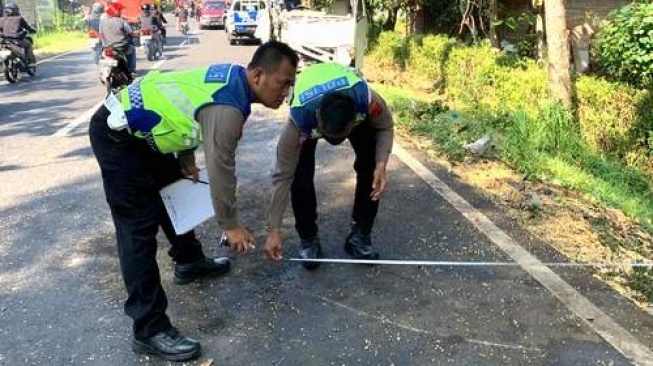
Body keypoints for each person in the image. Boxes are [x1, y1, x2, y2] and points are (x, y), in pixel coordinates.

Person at [88, 41, 298, 362]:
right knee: (138, 227)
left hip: (146, 134)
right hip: (118, 134)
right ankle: (149, 328)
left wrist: (184, 156)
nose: (286, 92)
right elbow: (221, 169)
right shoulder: (229, 108)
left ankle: (188, 261)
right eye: (283, 82)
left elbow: (185, 103)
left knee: (174, 191)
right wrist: (230, 224)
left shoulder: (233, 79)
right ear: (257, 75)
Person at [264, 62, 394, 270]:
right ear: (319, 121)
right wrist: (274, 230)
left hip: (350, 106)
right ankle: (308, 239)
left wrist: (381, 164)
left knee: (371, 169)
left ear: (354, 123)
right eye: (328, 136)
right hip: (311, 108)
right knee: (299, 177)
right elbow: (282, 176)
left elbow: (385, 126)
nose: (334, 143)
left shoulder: (367, 101)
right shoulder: (300, 119)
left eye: (339, 137)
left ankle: (360, 235)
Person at [99, 1, 136, 75]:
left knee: (102, 55)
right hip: (121, 46)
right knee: (132, 50)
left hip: (107, 47)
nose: (120, 12)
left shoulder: (102, 22)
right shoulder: (121, 21)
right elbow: (130, 32)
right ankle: (131, 69)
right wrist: (134, 34)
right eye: (119, 10)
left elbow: (101, 34)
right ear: (115, 11)